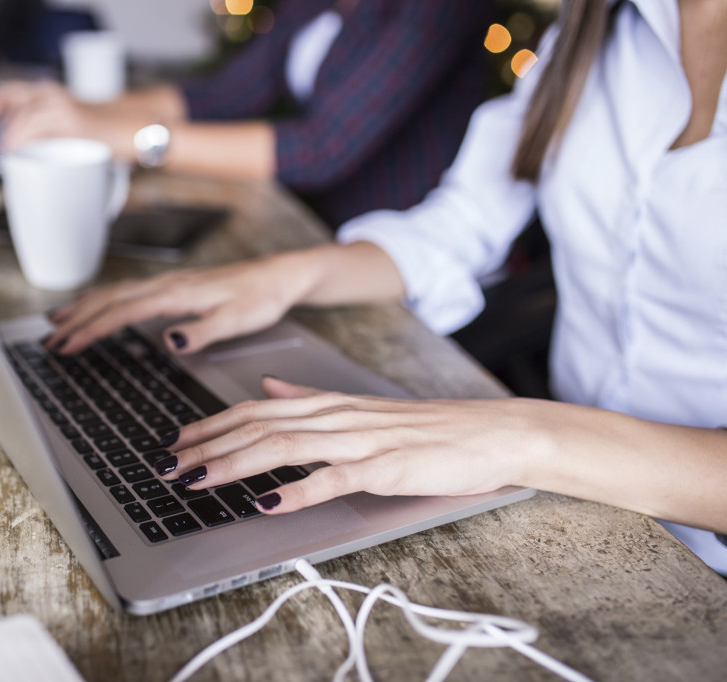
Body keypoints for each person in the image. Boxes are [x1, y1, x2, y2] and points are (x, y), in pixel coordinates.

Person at [41, 0, 727, 573]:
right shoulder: (599, 29)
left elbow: (322, 144)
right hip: (565, 510)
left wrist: (527, 433)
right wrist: (285, 274)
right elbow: (461, 225)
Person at [0, 0, 495, 229]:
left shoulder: (438, 6)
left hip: (400, 258)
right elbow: (221, 94)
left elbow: (320, 148)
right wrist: (74, 109)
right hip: (310, 225)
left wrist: (127, 137)